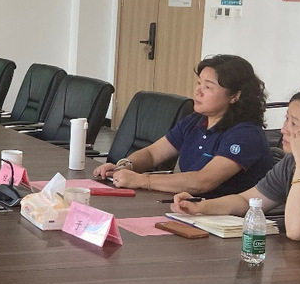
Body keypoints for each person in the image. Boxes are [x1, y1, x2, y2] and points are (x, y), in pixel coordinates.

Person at [172, 84, 300, 265]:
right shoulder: (293, 161)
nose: (284, 130)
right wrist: (201, 207)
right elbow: (247, 201)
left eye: (294, 124)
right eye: (287, 119)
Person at [94, 54, 272, 198]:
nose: (198, 91)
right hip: (191, 207)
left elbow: (203, 181)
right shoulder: (195, 121)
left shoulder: (245, 134)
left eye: (208, 87)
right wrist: (125, 166)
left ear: (235, 96)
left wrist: (142, 181)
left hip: (227, 219)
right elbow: (152, 154)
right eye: (199, 83)